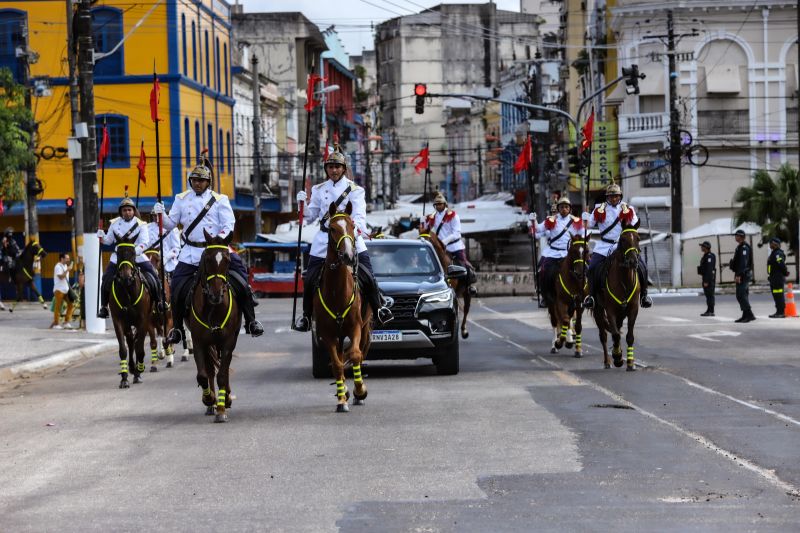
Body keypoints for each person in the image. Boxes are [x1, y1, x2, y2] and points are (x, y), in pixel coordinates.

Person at [154, 158, 263, 345]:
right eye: (194, 180)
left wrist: (216, 241)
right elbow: (170, 224)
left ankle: (251, 321)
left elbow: (229, 225)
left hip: (216, 250)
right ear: (190, 181)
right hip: (190, 252)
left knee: (241, 280)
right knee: (177, 287)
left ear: (208, 182)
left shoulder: (220, 200)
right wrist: (160, 215)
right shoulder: (181, 199)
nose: (197, 183)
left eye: (201, 180)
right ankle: (178, 329)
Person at [294, 151, 393, 332]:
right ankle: (306, 317)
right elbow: (308, 219)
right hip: (324, 239)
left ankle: (379, 309)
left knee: (368, 276)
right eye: (330, 167)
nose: (334, 170)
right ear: (326, 169)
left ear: (344, 169)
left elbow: (360, 216)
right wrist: (302, 205)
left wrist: (353, 232)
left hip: (350, 237)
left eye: (337, 167)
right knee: (309, 279)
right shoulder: (318, 189)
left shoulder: (356, 190)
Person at [581, 182, 652, 309]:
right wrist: (585, 217)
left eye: (616, 196)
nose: (614, 198)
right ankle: (591, 297)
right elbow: (589, 225)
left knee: (642, 266)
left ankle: (644, 295)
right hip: (604, 245)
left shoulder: (628, 209)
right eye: (611, 196)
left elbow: (634, 225)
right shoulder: (599, 209)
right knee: (592, 267)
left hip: (624, 245)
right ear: (607, 197)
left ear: (620, 196)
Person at [96, 195, 162, 319]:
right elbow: (109, 241)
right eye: (124, 210)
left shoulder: (141, 224)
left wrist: (133, 253)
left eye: (129, 210)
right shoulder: (114, 224)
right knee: (106, 279)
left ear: (134, 211)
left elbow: (145, 242)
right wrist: (101, 237)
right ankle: (104, 307)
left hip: (137, 256)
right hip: (118, 257)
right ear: (121, 212)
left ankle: (159, 302)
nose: (127, 212)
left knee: (153, 275)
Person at [528, 196, 583, 307]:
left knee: (583, 270)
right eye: (561, 207)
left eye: (566, 207)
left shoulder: (575, 221)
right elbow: (538, 229)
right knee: (544, 271)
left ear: (570, 209)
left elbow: (584, 233)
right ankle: (545, 296)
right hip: (553, 253)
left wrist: (586, 221)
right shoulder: (551, 220)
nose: (564, 209)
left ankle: (583, 296)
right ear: (558, 209)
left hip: (568, 254)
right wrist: (533, 220)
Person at [421, 191, 478, 296]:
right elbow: (425, 230)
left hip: (453, 246)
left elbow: (456, 233)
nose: (438, 206)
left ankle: (469, 286)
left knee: (463, 264)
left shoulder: (453, 215)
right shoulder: (432, 217)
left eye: (440, 204)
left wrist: (445, 241)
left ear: (444, 204)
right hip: (439, 247)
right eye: (436, 204)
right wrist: (423, 220)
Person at [146, 207, 181, 276]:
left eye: (159, 215)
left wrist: (165, 259)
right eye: (154, 215)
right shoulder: (147, 228)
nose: (156, 218)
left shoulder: (172, 228)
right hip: (151, 260)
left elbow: (176, 248)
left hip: (168, 262)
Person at [729, 229, 755, 323]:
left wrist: (739, 275)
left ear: (741, 237)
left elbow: (743, 263)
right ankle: (747, 314)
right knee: (742, 295)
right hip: (741, 273)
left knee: (741, 294)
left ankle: (748, 315)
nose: (736, 237)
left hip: (743, 274)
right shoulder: (740, 247)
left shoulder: (744, 248)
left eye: (737, 235)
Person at [51, 252, 75, 329]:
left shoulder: (65, 266)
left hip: (66, 289)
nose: (68, 259)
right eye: (67, 258)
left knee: (71, 305)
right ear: (62, 259)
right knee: (58, 307)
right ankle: (56, 324)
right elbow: (61, 277)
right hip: (59, 290)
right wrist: (67, 270)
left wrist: (67, 269)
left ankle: (66, 322)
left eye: (68, 258)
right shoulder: (58, 266)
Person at [767, 237, 788, 318]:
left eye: (771, 243)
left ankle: (781, 312)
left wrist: (785, 272)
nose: (770, 244)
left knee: (779, 295)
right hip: (773, 278)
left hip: (777, 278)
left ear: (775, 244)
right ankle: (778, 311)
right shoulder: (774, 253)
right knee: (776, 295)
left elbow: (781, 264)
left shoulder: (778, 253)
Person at [698, 241, 716, 316]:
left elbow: (709, 269)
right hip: (706, 278)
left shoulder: (709, 256)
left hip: (709, 279)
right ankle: (709, 310)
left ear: (706, 247)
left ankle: (711, 311)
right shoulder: (706, 256)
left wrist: (706, 281)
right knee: (708, 295)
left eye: (702, 246)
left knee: (710, 295)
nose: (701, 247)